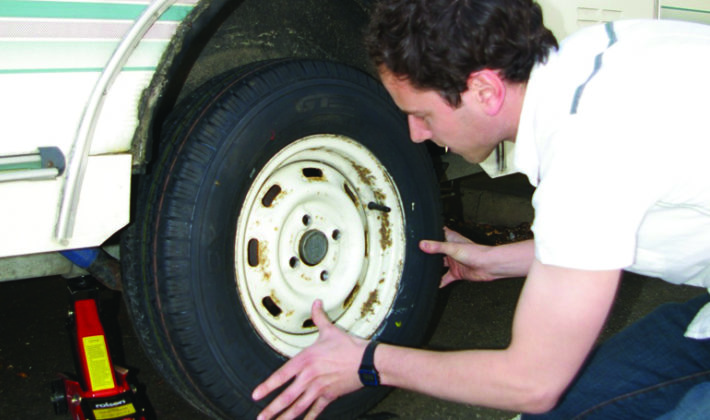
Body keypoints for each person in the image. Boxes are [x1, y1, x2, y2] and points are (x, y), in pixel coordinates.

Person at [251, 0, 710, 418]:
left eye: (423, 115)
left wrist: (369, 364)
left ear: (485, 90)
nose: (415, 134)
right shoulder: (588, 59)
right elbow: (599, 235)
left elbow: (532, 383)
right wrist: (496, 261)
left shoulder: (585, 152)